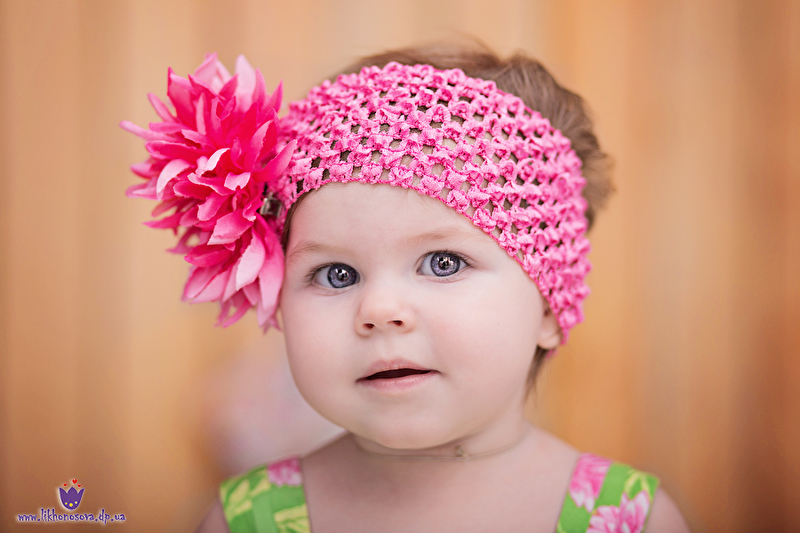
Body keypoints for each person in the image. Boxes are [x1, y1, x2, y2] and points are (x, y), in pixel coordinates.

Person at [123, 43, 691, 533]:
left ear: (547, 304)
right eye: (337, 274)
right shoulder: (247, 519)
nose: (380, 309)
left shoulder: (626, 519)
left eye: (442, 263)